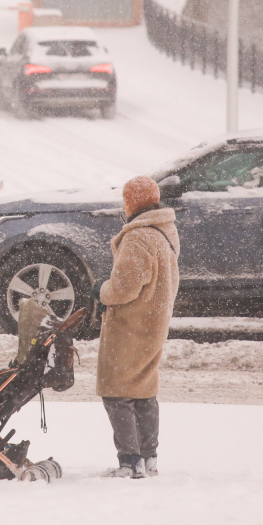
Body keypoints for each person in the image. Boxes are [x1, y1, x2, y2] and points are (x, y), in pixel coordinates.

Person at [92, 175, 180, 479]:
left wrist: (101, 291)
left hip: (131, 325)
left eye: (126, 200)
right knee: (143, 391)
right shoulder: (163, 233)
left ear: (132, 202)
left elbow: (124, 286)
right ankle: (148, 458)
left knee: (117, 392)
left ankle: (129, 462)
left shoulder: (139, 237)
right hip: (153, 324)